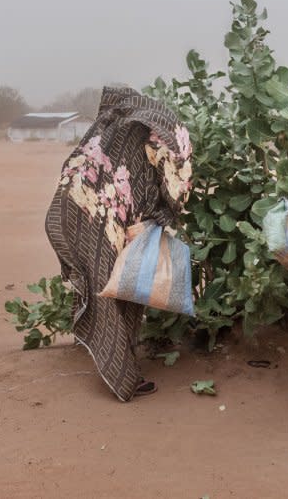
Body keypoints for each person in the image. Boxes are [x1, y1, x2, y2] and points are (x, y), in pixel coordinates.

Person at [45, 87, 192, 402]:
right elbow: (177, 174)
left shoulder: (99, 138)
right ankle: (124, 378)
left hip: (81, 228)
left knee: (104, 294)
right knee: (123, 297)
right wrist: (169, 210)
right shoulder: (154, 129)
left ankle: (115, 365)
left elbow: (69, 181)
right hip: (118, 231)